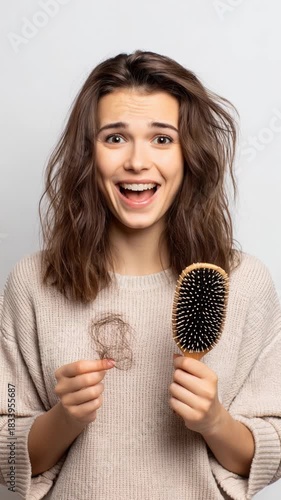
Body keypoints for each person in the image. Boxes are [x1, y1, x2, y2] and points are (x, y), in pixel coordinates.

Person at [0, 50, 281, 500]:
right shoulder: (31, 283)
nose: (137, 161)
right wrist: (63, 418)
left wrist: (214, 422)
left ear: (190, 154)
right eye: (115, 138)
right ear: (87, 154)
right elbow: (7, 457)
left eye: (162, 139)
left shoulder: (244, 283)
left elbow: (275, 450)